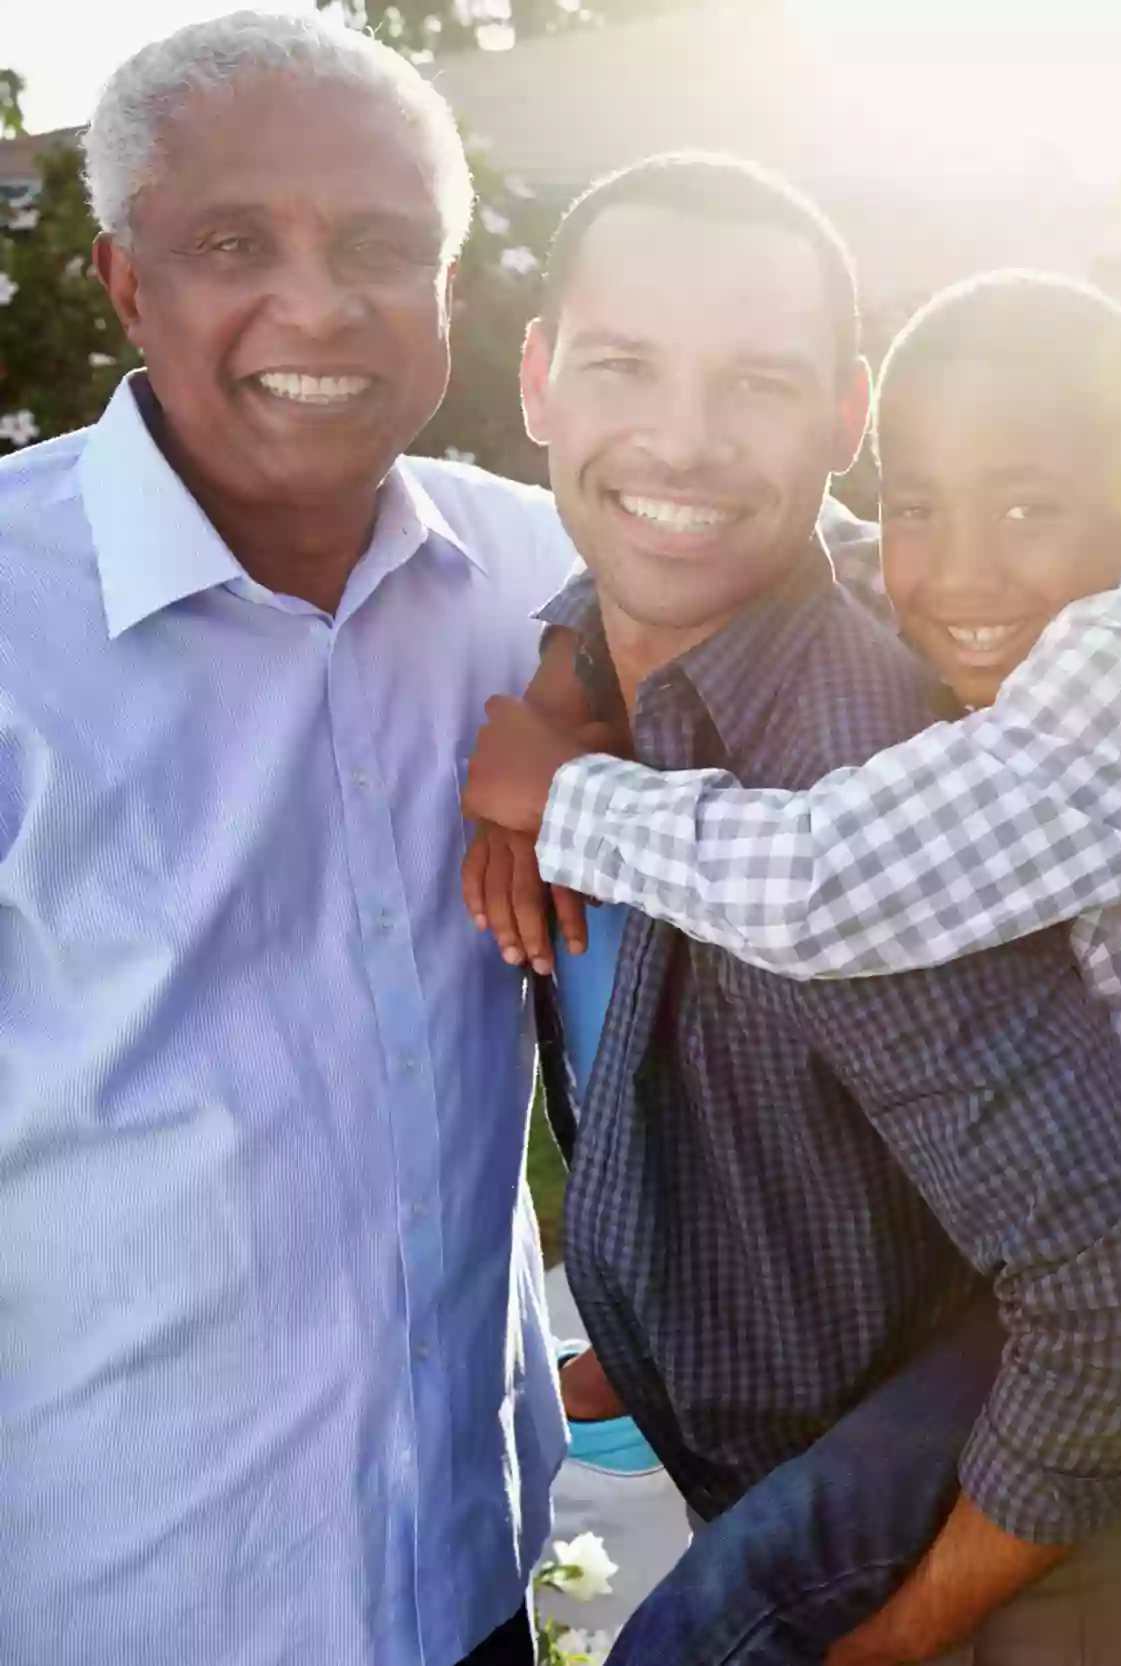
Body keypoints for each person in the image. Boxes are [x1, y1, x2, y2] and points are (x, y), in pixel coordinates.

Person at [465, 157, 1121, 1666]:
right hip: (786, 1493)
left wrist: (898, 1632)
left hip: (987, 1563)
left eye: (759, 379)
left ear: (847, 414)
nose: (683, 438)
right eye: (626, 364)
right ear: (541, 379)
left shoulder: (869, 785)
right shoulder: (605, 678)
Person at [461, 270, 1121, 1455]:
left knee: (743, 1619)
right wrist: (566, 662)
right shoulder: (1039, 607)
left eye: (1025, 510)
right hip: (1069, 1239)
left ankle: (715, 1384)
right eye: (919, 507)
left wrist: (553, 793)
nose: (959, 574)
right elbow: (774, 545)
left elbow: (823, 885)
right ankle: (688, 1345)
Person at [0, 14, 576, 1664]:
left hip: (466, 1589)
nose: (320, 306)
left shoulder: (555, 577)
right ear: (127, 282)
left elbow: (921, 617)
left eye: (382, 246)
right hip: (118, 1608)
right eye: (234, 241)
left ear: (448, 291)